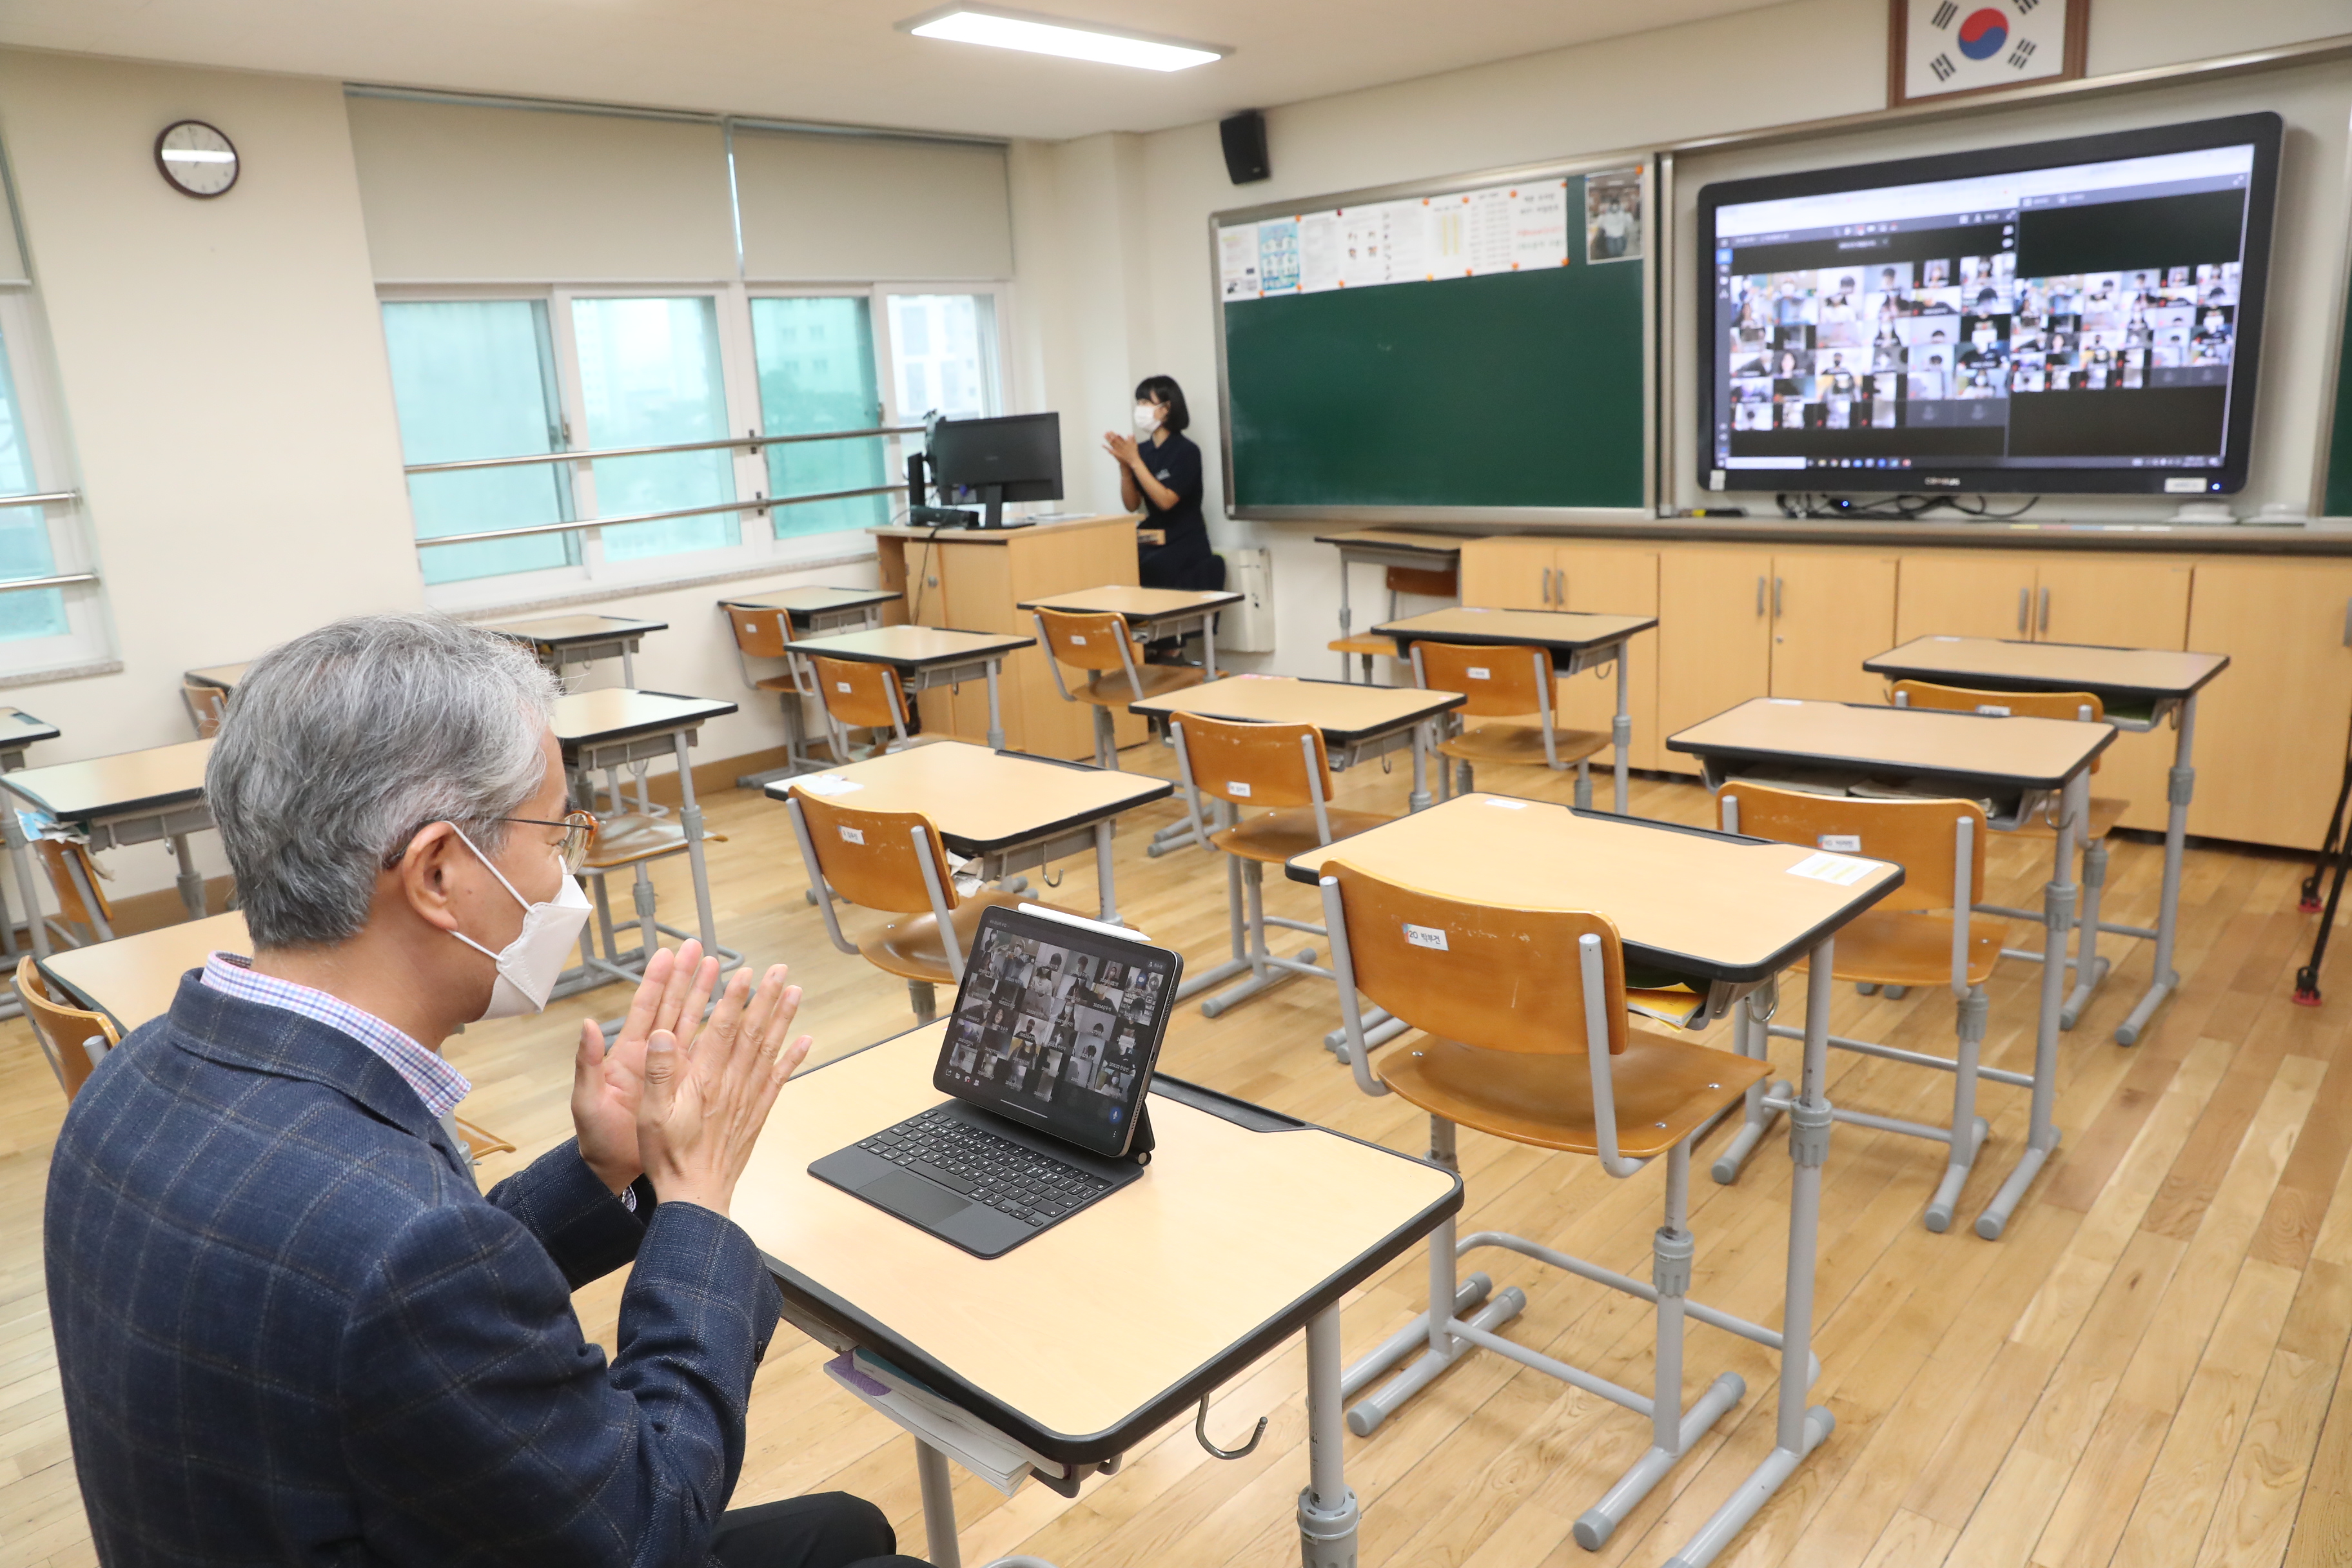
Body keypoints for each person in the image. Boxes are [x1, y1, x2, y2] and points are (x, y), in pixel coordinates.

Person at [43, 614, 923, 1568]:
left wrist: (604, 1170)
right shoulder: (404, 1249)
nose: (564, 874)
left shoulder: (129, 1077)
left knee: (842, 1527)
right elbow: (650, 1530)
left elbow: (385, 1314)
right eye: (556, 831)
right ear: (438, 872)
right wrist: (696, 1206)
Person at [1103, 374, 1218, 591]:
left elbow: (1166, 501)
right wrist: (1125, 467)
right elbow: (1132, 505)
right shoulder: (1142, 451)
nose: (1140, 408)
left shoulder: (1186, 451)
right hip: (1152, 539)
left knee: (1149, 572)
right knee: (1118, 567)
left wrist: (1135, 462)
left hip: (1184, 542)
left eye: (1146, 403)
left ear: (1166, 409)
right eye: (1138, 403)